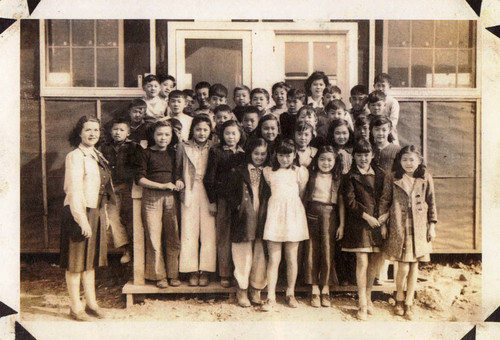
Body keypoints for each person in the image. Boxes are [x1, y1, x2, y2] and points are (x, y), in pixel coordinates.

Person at [60, 115, 115, 321]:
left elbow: (102, 189)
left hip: (97, 212)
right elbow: (74, 190)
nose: (93, 134)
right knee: (75, 263)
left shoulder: (97, 155)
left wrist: (105, 214)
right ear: (79, 133)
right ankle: (75, 307)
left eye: (96, 130)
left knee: (90, 262)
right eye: (88, 130)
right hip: (78, 212)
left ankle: (91, 304)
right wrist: (81, 220)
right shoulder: (75, 156)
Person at [379, 145, 437, 320]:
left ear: (419, 161)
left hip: (419, 227)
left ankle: (409, 302)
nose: (408, 163)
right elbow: (384, 200)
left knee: (414, 267)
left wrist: (432, 225)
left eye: (412, 159)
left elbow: (431, 202)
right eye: (404, 159)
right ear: (399, 161)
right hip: (399, 227)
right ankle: (399, 297)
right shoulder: (393, 177)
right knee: (403, 267)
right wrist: (383, 224)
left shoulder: (425, 178)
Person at [339, 139, 386, 320]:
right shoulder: (349, 177)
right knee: (362, 262)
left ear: (372, 155)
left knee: (374, 262)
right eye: (359, 155)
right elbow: (350, 202)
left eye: (366, 155)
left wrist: (383, 217)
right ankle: (361, 303)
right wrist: (367, 217)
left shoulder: (381, 175)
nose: (363, 158)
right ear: (354, 157)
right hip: (359, 224)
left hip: (378, 224)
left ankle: (368, 296)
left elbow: (386, 198)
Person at [261, 139, 309, 311]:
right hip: (275, 215)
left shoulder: (300, 172)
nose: (285, 159)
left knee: (291, 257)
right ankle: (271, 296)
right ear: (275, 155)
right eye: (281, 155)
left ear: (294, 154)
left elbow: (301, 192)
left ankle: (290, 293)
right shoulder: (268, 172)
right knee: (274, 259)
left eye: (288, 155)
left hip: (293, 215)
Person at [136, 120, 181, 288]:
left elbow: (177, 174)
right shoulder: (145, 153)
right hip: (151, 197)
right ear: (153, 135)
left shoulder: (173, 153)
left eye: (167, 134)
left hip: (171, 197)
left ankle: (173, 274)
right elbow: (140, 179)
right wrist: (161, 186)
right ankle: (159, 276)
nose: (163, 138)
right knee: (154, 238)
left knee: (173, 236)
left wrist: (179, 180)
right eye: (159, 134)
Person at [228, 137, 270, 307]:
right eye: (256, 153)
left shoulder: (268, 171)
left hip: (263, 214)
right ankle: (242, 288)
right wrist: (238, 206)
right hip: (244, 215)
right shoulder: (239, 171)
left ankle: (256, 288)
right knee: (243, 252)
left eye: (263, 154)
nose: (259, 157)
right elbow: (229, 192)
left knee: (260, 252)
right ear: (250, 153)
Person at [175, 114, 216, 286]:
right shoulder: (183, 147)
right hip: (190, 190)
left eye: (205, 129)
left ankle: (205, 271)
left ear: (210, 131)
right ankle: (191, 270)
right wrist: (179, 180)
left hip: (208, 190)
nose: (201, 133)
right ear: (193, 130)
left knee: (208, 232)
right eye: (198, 129)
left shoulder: (214, 147)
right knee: (189, 230)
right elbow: (177, 169)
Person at [204, 120, 246, 287]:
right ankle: (224, 273)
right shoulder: (216, 151)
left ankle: (239, 272)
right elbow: (210, 178)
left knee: (240, 236)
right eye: (227, 133)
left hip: (240, 200)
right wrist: (212, 201)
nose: (230, 137)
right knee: (224, 236)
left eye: (234, 133)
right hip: (222, 199)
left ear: (240, 135)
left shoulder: (243, 153)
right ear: (222, 135)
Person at [303, 145, 344, 307]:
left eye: (329, 160)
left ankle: (325, 288)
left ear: (335, 161)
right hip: (312, 212)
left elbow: (340, 202)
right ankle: (314, 288)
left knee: (328, 250)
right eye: (322, 159)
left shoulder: (337, 178)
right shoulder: (311, 175)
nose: (325, 163)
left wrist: (342, 224)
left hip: (330, 214)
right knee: (312, 248)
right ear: (316, 160)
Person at [99, 118, 140, 265]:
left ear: (128, 133)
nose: (118, 133)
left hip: (128, 188)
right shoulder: (104, 147)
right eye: (115, 129)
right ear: (111, 131)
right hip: (111, 187)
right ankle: (125, 250)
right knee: (114, 219)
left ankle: (137, 252)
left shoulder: (134, 147)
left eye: (122, 130)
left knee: (130, 218)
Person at [373, 73, 400, 144]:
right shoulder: (371, 100)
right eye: (378, 85)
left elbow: (393, 121)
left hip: (389, 134)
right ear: (374, 86)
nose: (380, 88)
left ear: (389, 87)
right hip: (374, 134)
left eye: (383, 86)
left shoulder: (393, 102)